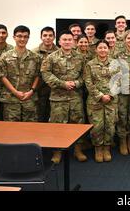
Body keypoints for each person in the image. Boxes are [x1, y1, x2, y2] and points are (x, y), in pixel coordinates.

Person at [41, 30, 86, 164]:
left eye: (69, 40)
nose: (67, 42)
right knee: (57, 126)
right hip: (58, 98)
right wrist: (62, 84)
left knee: (77, 124)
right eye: (64, 40)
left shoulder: (80, 57)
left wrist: (77, 83)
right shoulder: (51, 57)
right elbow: (46, 74)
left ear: (74, 42)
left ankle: (78, 150)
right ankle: (57, 152)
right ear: (59, 42)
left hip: (75, 97)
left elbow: (85, 76)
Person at [84, 40, 120, 163]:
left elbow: (118, 81)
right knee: (97, 126)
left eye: (105, 47)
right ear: (96, 49)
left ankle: (107, 148)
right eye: (100, 47)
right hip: (95, 101)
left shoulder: (115, 63)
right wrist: (100, 96)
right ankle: (98, 148)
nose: (103, 50)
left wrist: (109, 95)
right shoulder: (90, 64)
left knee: (110, 126)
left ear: (108, 49)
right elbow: (88, 82)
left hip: (111, 100)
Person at [0, 25, 40, 122]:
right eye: (19, 36)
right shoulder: (5, 56)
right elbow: (2, 76)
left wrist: (31, 91)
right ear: (14, 37)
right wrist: (15, 92)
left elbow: (37, 75)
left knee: (30, 129)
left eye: (25, 36)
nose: (22, 39)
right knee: (11, 130)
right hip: (11, 99)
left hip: (29, 98)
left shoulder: (35, 57)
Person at [32, 27, 59, 122]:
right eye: (45, 35)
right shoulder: (33, 52)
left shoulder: (59, 52)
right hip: (39, 90)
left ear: (54, 37)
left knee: (55, 118)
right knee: (40, 116)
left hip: (56, 90)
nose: (48, 38)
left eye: (50, 35)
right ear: (41, 37)